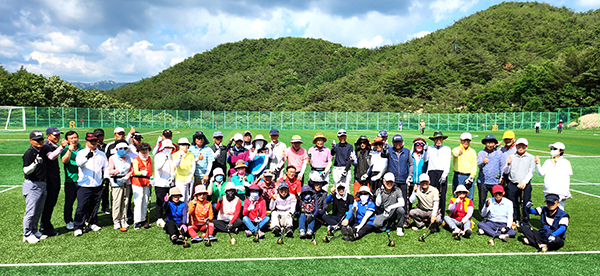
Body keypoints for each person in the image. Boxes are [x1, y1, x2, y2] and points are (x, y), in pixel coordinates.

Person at [73, 133, 108, 236]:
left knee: (94, 206)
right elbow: (79, 164)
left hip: (97, 184)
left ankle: (92, 222)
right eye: (90, 141)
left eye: (95, 140)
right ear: (86, 142)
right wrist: (87, 157)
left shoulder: (101, 154)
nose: (93, 143)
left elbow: (105, 166)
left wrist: (106, 176)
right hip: (84, 185)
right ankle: (78, 226)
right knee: (81, 206)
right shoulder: (81, 153)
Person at [22, 130, 49, 243]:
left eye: (41, 140)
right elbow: (26, 171)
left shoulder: (41, 150)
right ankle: (27, 234)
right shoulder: (29, 153)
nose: (40, 142)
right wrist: (35, 163)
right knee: (31, 211)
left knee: (38, 210)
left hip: (42, 183)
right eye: (37, 140)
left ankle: (34, 230)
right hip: (33, 184)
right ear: (31, 141)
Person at [40, 126, 67, 237]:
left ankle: (45, 225)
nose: (57, 137)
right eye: (55, 135)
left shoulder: (51, 145)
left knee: (51, 203)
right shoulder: (46, 146)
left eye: (58, 135)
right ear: (48, 136)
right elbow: (51, 157)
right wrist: (61, 147)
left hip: (54, 177)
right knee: (49, 203)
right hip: (50, 179)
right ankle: (45, 227)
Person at [502, 138, 535, 227]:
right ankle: (515, 219)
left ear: (526, 147)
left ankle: (525, 221)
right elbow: (505, 171)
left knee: (525, 203)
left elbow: (531, 171)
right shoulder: (512, 156)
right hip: (512, 183)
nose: (521, 148)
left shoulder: (531, 157)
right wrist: (508, 164)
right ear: (516, 146)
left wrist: (524, 182)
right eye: (519, 146)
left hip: (525, 184)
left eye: (523, 146)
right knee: (513, 203)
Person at [536, 142, 572, 210]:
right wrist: (538, 164)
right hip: (548, 190)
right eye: (551, 149)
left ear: (561, 151)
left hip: (559, 191)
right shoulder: (548, 161)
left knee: (560, 209)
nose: (552, 150)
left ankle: (560, 221)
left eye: (555, 149)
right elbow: (541, 173)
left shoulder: (566, 162)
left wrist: (566, 192)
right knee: (549, 208)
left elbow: (567, 178)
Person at [385, 134, 413, 224]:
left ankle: (404, 219)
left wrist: (410, 175)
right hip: (392, 181)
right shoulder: (389, 151)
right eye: (396, 142)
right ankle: (391, 218)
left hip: (403, 180)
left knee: (403, 199)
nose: (397, 144)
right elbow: (382, 154)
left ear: (402, 142)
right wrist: (384, 148)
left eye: (399, 142)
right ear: (392, 142)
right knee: (392, 199)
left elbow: (411, 164)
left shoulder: (407, 151)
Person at [107, 141, 133, 230]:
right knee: (117, 202)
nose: (123, 150)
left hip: (126, 181)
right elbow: (110, 170)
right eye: (121, 148)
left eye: (125, 148)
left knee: (126, 202)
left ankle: (124, 219)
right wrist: (117, 171)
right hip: (116, 182)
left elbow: (131, 169)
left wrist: (127, 176)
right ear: (117, 149)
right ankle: (116, 221)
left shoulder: (128, 158)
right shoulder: (113, 158)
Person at [60, 130, 82, 231]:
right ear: (68, 140)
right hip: (71, 181)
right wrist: (69, 150)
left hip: (82, 180)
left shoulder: (82, 149)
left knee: (82, 202)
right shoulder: (65, 150)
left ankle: (81, 220)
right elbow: (64, 161)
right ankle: (68, 221)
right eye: (71, 138)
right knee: (69, 202)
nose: (74, 140)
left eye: (75, 137)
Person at [426, 131, 451, 215]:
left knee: (442, 195)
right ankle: (431, 214)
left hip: (442, 172)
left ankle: (441, 215)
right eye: (436, 139)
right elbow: (425, 160)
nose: (438, 141)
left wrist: (445, 174)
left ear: (442, 139)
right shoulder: (429, 148)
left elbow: (448, 163)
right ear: (434, 140)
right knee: (431, 194)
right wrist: (425, 151)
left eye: (440, 139)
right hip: (431, 172)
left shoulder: (447, 149)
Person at [477, 134, 503, 211]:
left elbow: (501, 165)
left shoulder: (499, 153)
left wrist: (502, 176)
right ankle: (483, 215)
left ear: (494, 143)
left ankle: (495, 215)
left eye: (492, 143)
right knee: (482, 200)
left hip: (494, 181)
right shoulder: (481, 153)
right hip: (483, 181)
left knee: (497, 199)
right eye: (488, 143)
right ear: (485, 143)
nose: (490, 145)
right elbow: (479, 165)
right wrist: (483, 162)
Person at [153, 139, 175, 228]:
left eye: (170, 147)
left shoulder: (172, 156)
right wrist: (165, 158)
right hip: (160, 182)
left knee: (169, 200)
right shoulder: (158, 156)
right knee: (160, 200)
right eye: (167, 147)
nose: (168, 149)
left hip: (169, 182)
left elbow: (174, 168)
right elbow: (158, 167)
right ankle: (159, 217)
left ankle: (167, 216)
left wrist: (172, 177)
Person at [131, 142, 152, 230]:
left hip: (146, 182)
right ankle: (137, 221)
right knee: (138, 202)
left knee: (145, 201)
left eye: (146, 149)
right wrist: (141, 173)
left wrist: (152, 178)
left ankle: (143, 219)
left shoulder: (150, 158)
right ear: (139, 150)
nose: (144, 151)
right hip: (137, 182)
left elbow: (152, 169)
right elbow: (136, 171)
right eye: (142, 150)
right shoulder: (136, 160)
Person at [452, 132, 477, 200]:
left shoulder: (472, 151)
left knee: (469, 197)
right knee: (457, 196)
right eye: (464, 140)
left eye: (468, 140)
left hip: (469, 176)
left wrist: (472, 176)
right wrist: (458, 152)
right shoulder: (456, 149)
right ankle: (456, 210)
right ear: (460, 140)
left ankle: (468, 210)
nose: (466, 142)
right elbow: (455, 153)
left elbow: (474, 164)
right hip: (459, 175)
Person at [94, 128, 111, 215]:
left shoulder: (106, 146)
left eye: (101, 136)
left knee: (105, 190)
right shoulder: (93, 146)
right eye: (97, 136)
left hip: (105, 171)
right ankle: (95, 208)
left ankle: (105, 207)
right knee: (96, 191)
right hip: (96, 172)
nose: (99, 138)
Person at [173, 137, 195, 202]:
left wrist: (190, 176)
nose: (184, 146)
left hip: (190, 179)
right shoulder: (175, 154)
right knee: (181, 198)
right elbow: (176, 165)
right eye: (182, 144)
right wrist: (180, 156)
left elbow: (193, 166)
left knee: (188, 198)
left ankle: (187, 211)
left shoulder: (190, 154)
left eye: (186, 145)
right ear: (179, 146)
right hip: (180, 179)